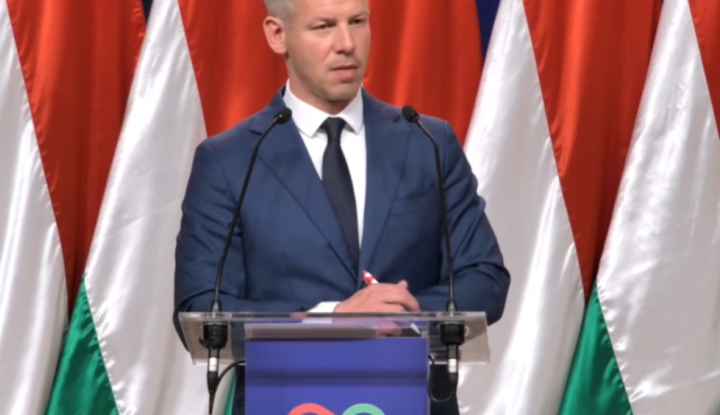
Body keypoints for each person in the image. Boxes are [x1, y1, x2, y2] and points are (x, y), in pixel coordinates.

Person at [173, 0, 510, 413]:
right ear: (277, 35)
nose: (347, 43)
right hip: (285, 401)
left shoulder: (428, 142)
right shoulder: (228, 161)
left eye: (357, 21)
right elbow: (200, 308)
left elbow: (486, 280)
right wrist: (331, 317)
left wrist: (404, 314)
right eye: (323, 27)